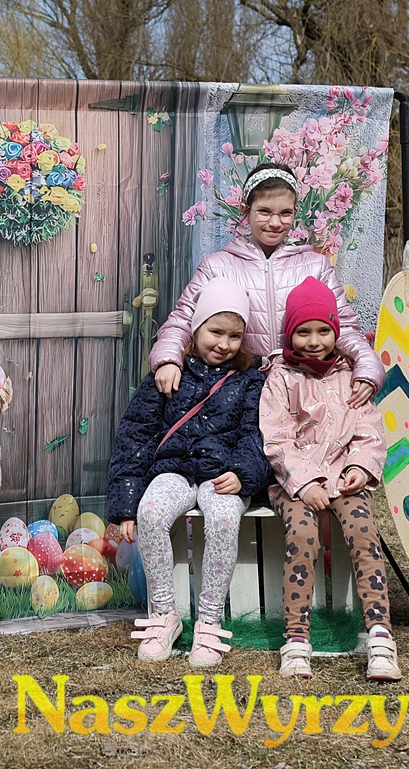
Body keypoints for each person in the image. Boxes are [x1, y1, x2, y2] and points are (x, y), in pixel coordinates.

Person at [107, 277, 272, 666]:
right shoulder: (169, 374)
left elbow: (258, 432)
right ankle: (165, 614)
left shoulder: (250, 380)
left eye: (234, 335)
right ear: (196, 329)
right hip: (175, 469)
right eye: (216, 332)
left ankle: (209, 621)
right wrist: (127, 505)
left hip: (222, 474)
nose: (224, 344)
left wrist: (243, 473)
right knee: (151, 513)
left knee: (224, 518)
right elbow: (136, 435)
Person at [259, 276, 400, 681]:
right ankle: (296, 638)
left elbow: (369, 431)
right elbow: (276, 437)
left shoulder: (350, 376)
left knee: (363, 532)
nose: (314, 341)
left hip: (344, 478)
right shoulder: (281, 378)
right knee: (303, 536)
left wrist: (360, 467)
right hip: (294, 484)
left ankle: (379, 634)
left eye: (323, 331)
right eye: (303, 332)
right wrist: (304, 483)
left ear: (336, 332)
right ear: (290, 333)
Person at [150, 162, 383, 406]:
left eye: (285, 213)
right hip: (236, 391)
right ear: (245, 210)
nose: (275, 223)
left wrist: (366, 366)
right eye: (264, 211)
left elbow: (343, 326)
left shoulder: (315, 266)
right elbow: (182, 322)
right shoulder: (216, 266)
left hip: (303, 390)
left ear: (295, 212)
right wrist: (168, 360)